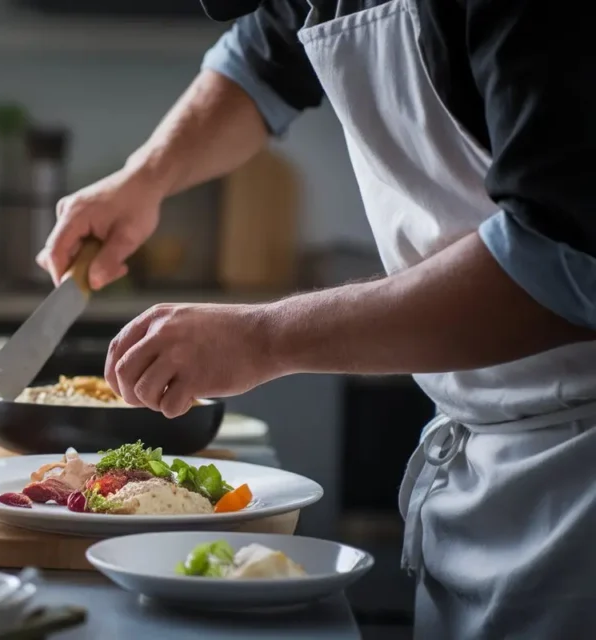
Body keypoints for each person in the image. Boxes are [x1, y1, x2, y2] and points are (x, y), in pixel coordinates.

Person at [35, 0, 596, 637]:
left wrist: (265, 338)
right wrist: (145, 179)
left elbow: (560, 261)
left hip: (577, 487)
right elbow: (261, 61)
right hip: (480, 461)